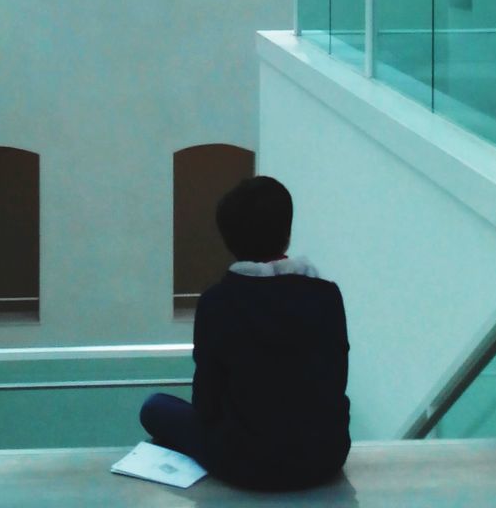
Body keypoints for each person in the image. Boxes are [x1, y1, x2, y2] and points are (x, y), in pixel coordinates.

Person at [140, 175, 350, 490]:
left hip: (247, 463)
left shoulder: (218, 302)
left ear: (229, 241)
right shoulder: (327, 296)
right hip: (324, 456)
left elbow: (206, 404)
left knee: (155, 407)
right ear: (287, 233)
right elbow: (335, 380)